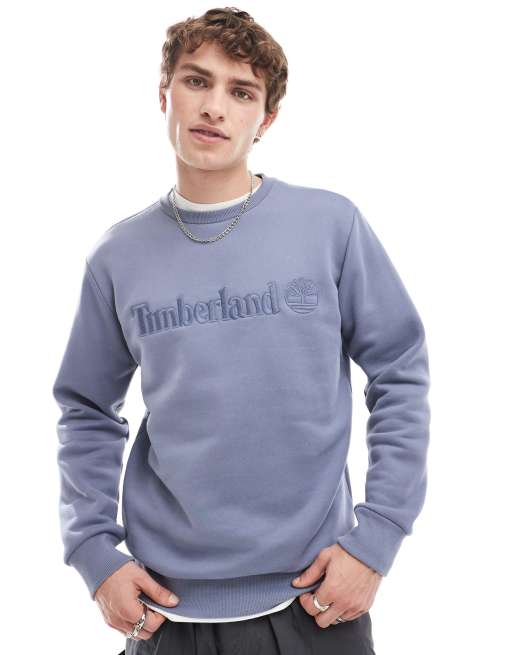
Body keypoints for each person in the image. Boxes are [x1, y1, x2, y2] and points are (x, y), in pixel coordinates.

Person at [52, 7, 430, 655]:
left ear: (267, 118)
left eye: (242, 92)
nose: (214, 107)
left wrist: (378, 535)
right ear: (164, 93)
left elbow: (400, 371)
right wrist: (92, 550)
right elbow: (85, 408)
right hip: (163, 609)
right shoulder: (117, 256)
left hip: (315, 599)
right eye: (196, 81)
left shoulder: (329, 225)